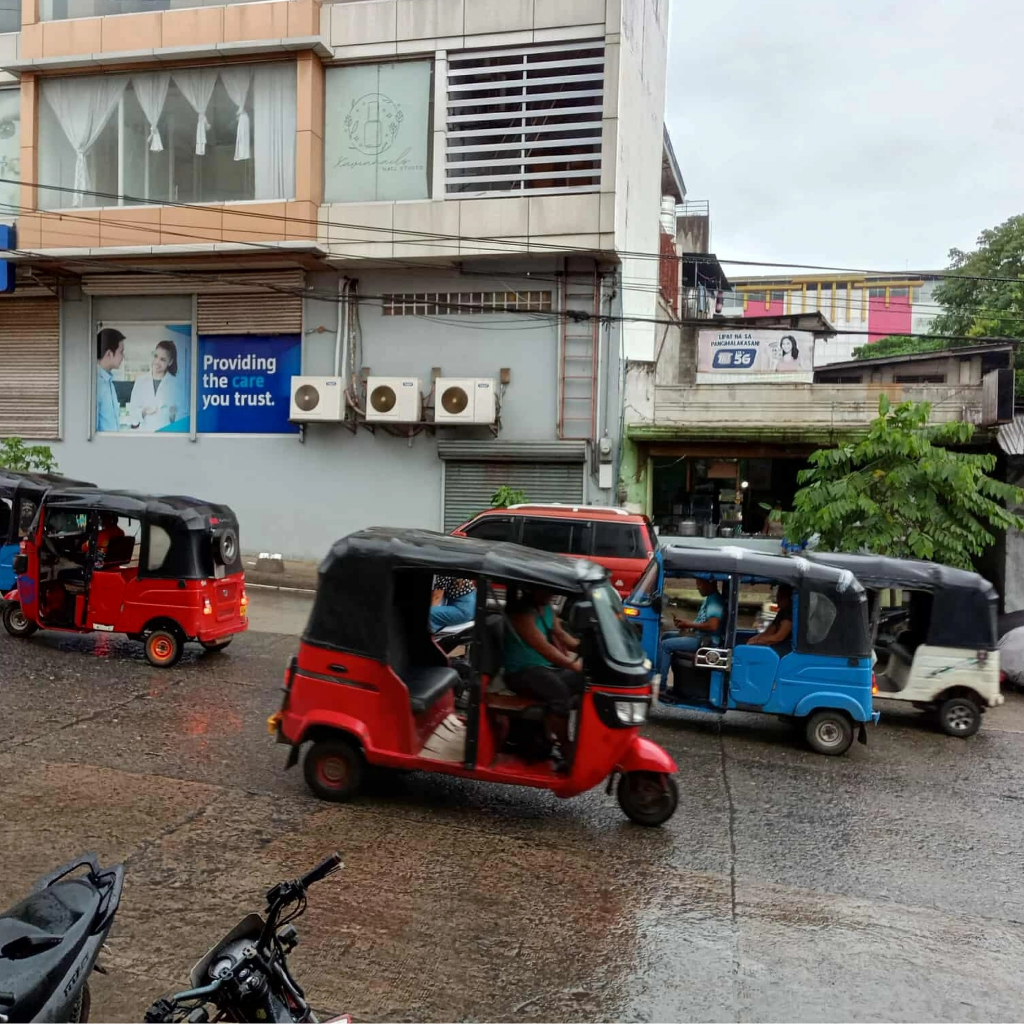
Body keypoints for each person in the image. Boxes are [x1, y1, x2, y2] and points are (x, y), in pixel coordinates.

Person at [504, 587, 584, 768]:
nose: (551, 594)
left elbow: (561, 635)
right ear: (531, 590)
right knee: (559, 692)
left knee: (583, 682)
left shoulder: (547, 609)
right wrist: (572, 665)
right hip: (521, 671)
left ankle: (554, 731)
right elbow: (544, 648)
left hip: (545, 669)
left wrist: (586, 647)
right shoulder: (521, 613)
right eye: (547, 590)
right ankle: (565, 746)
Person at [657, 579, 725, 687]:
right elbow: (702, 622)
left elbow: (713, 625)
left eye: (700, 584)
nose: (697, 587)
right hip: (700, 636)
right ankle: (661, 673)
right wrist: (686, 625)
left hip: (707, 641)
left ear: (710, 583)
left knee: (665, 645)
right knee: (666, 636)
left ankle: (661, 685)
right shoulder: (709, 599)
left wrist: (689, 625)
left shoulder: (715, 601)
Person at [129, 340, 182, 432]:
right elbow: (132, 413)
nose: (157, 362)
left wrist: (172, 415)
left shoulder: (176, 384)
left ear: (170, 362)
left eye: (163, 359)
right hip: (145, 436)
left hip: (167, 436)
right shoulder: (141, 381)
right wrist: (143, 411)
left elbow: (183, 416)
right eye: (156, 356)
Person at [748, 584, 793, 655]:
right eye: (777, 596)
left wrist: (758, 640)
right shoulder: (782, 612)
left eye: (780, 597)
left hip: (786, 648)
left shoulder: (790, 613)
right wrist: (757, 638)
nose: (777, 599)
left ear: (789, 598)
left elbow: (778, 637)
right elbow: (770, 631)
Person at [96, 328, 126, 433]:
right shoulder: (95, 384)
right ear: (109, 354)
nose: (123, 356)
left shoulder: (108, 381)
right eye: (121, 352)